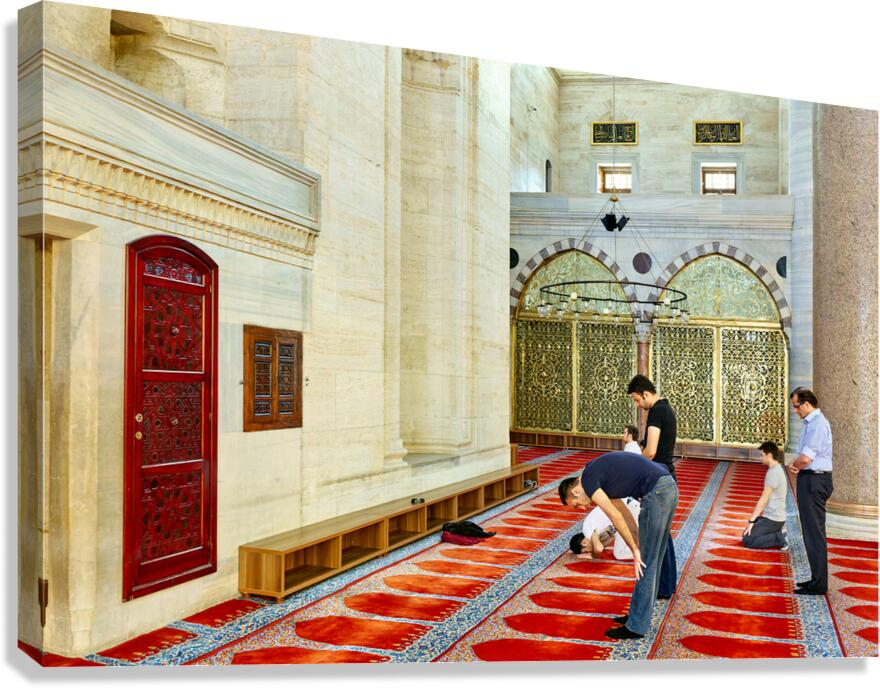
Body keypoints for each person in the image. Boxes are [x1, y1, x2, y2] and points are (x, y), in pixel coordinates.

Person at [559, 451, 678, 640]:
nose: (582, 508)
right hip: (666, 487)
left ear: (575, 491)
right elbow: (624, 515)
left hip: (657, 492)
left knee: (646, 562)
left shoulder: (589, 481)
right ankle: (639, 613)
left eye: (576, 505)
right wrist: (637, 542)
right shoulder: (599, 477)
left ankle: (636, 626)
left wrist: (635, 551)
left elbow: (615, 517)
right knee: (653, 555)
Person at [627, 374, 678, 598]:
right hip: (666, 475)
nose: (639, 406)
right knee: (663, 535)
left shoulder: (657, 410)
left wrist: (635, 467)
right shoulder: (666, 408)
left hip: (657, 478)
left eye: (638, 400)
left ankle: (663, 587)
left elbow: (651, 451)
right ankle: (666, 585)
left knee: (657, 537)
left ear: (646, 393)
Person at [788, 387, 833, 595]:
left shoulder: (817, 424)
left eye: (796, 407)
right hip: (811, 479)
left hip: (815, 481)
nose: (796, 411)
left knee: (814, 533)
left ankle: (819, 583)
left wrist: (795, 465)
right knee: (811, 531)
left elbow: (806, 458)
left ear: (806, 403)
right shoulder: (811, 423)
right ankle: (816, 579)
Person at [742, 441, 789, 550]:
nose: (760, 458)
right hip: (771, 516)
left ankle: (780, 537)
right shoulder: (775, 469)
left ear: (769, 455)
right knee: (746, 533)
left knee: (747, 539)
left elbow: (763, 500)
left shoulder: (774, 473)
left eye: (762, 455)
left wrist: (752, 520)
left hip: (774, 519)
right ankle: (778, 532)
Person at [569, 497, 641, 560]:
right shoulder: (596, 532)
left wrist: (592, 555)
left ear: (584, 542)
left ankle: (647, 553)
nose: (590, 551)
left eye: (586, 551)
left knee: (619, 554)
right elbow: (613, 536)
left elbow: (599, 548)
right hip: (632, 507)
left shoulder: (587, 530)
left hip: (629, 509)